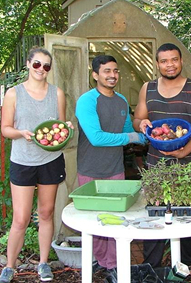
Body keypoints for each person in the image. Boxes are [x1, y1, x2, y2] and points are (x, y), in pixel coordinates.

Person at [133, 43, 191, 276]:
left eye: (174, 60)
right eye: (164, 61)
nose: (170, 65)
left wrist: (184, 151)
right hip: (155, 163)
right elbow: (138, 119)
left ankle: (186, 264)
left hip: (187, 164)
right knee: (155, 212)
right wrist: (143, 124)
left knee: (186, 214)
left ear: (181, 61)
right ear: (157, 64)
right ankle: (152, 267)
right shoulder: (147, 88)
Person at [0, 47, 72, 282]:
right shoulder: (14, 94)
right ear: (29, 64)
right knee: (20, 218)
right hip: (23, 161)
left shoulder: (57, 93)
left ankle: (43, 264)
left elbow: (58, 128)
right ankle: (9, 267)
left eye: (47, 66)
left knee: (46, 212)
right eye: (37, 64)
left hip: (50, 160)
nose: (42, 69)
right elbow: (5, 128)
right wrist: (21, 132)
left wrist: (66, 129)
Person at [75, 55, 147, 272]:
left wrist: (143, 131)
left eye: (115, 71)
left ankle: (114, 265)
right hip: (90, 169)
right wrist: (130, 138)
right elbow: (96, 138)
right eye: (107, 71)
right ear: (95, 75)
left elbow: (126, 130)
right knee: (94, 220)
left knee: (116, 218)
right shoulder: (87, 101)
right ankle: (100, 260)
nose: (112, 75)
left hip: (115, 169)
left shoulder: (122, 101)